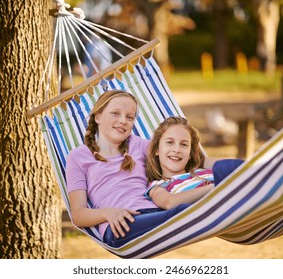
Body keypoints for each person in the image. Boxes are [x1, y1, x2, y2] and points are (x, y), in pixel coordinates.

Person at [66, 90, 190, 248]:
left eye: (129, 117)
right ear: (97, 117)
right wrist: (107, 213)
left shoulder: (140, 145)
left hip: (155, 214)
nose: (123, 120)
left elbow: (177, 159)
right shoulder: (78, 156)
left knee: (190, 210)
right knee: (187, 212)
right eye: (115, 113)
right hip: (120, 225)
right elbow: (78, 215)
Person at [144, 116, 244, 210]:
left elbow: (235, 167)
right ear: (157, 149)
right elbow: (169, 202)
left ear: (190, 153)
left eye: (184, 144)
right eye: (170, 142)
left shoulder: (204, 171)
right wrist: (217, 186)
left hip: (238, 199)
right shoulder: (158, 186)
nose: (176, 149)